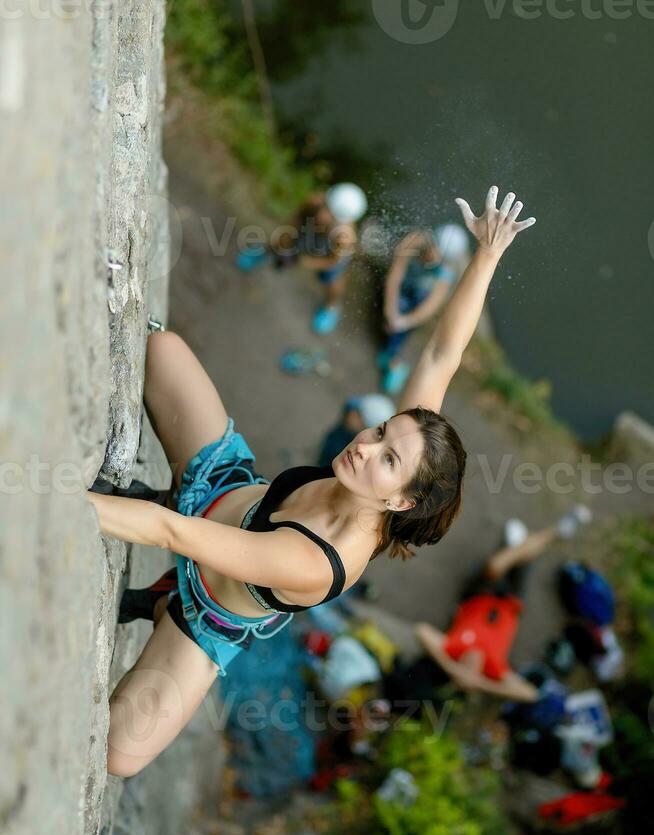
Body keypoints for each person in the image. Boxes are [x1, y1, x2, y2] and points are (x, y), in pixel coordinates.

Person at [87, 185, 536, 777]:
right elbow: (441, 356)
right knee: (161, 348)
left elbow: (175, 534)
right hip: (226, 488)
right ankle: (155, 561)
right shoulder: (401, 458)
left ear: (400, 500)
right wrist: (487, 255)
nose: (366, 446)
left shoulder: (321, 561)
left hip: (211, 607)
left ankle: (163, 600)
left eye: (387, 459)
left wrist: (63, 504)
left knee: (121, 754)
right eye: (379, 431)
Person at [411, 506, 592, 703]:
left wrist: (450, 668)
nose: (466, 670)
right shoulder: (495, 669)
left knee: (494, 568)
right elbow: (530, 694)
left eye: (460, 672)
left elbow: (420, 630)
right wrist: (481, 683)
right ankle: (551, 535)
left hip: (479, 593)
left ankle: (524, 544)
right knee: (519, 563)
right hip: (511, 602)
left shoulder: (453, 648)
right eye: (468, 676)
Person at [237, 182, 368, 334]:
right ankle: (261, 254)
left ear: (342, 220)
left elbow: (332, 262)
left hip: (330, 250)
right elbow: (295, 222)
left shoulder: (345, 238)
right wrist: (286, 244)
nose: (323, 214)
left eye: (331, 215)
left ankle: (331, 307)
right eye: (326, 206)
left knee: (333, 280)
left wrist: (302, 261)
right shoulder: (314, 202)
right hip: (310, 232)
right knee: (280, 241)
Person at [380, 227, 461, 394]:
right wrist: (390, 312)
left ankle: (392, 355)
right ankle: (390, 350)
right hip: (404, 284)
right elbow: (394, 277)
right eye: (432, 249)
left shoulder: (446, 270)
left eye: (438, 256)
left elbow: (430, 306)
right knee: (397, 307)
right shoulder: (414, 241)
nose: (431, 256)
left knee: (411, 309)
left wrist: (402, 323)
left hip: (419, 293)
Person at [317, 394, 395, 468]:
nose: (352, 416)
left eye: (359, 417)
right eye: (356, 412)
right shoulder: (351, 409)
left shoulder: (348, 446)